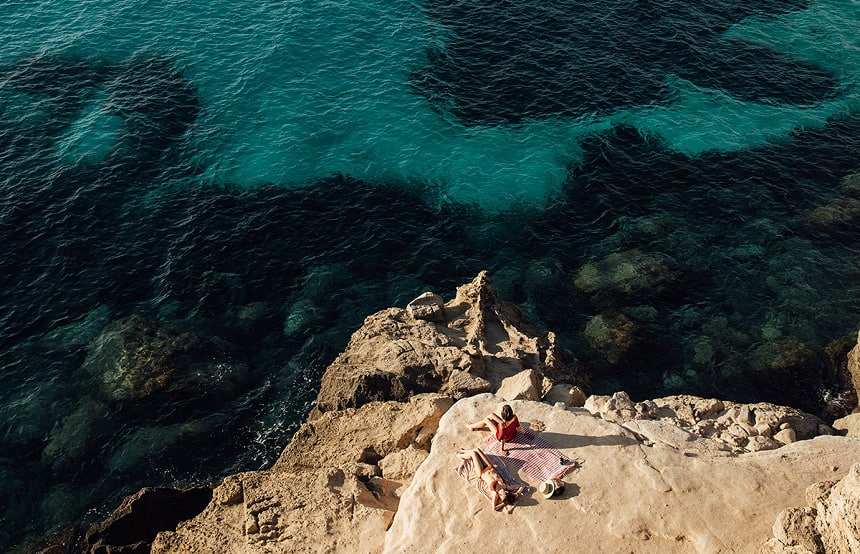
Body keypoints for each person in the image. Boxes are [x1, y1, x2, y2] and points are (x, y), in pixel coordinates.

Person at [457, 448, 525, 511]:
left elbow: (495, 508)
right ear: (506, 494)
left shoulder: (495, 494)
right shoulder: (506, 487)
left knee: (473, 454)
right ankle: (463, 451)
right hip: (490, 467)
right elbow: (522, 486)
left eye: (502, 499)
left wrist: (504, 503)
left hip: (481, 472)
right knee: (477, 450)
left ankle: (459, 455)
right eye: (503, 498)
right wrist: (517, 493)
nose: (501, 499)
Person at [466, 404, 532, 454]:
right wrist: (525, 434)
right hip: (513, 433)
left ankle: (471, 427)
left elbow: (502, 439)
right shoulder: (514, 417)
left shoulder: (502, 425)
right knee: (491, 415)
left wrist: (502, 449)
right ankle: (473, 426)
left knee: (486, 420)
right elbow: (519, 427)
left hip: (506, 437)